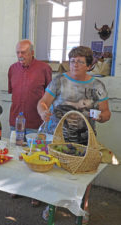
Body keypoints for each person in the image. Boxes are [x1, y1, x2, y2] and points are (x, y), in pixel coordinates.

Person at [37, 46, 111, 224]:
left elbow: (106, 112)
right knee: (54, 172)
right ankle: (52, 203)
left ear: (89, 65)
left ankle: (83, 206)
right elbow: (43, 102)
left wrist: (101, 117)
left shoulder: (97, 85)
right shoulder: (59, 81)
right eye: (72, 61)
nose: (75, 64)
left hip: (85, 137)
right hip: (57, 136)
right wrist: (43, 112)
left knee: (86, 174)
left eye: (79, 61)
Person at [8, 39, 52, 204]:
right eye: (18, 52)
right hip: (16, 121)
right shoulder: (12, 69)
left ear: (32, 52)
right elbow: (13, 91)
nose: (20, 56)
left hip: (36, 122)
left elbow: (50, 95)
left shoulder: (44, 68)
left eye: (23, 52)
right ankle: (18, 188)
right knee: (17, 155)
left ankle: (36, 193)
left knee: (37, 156)